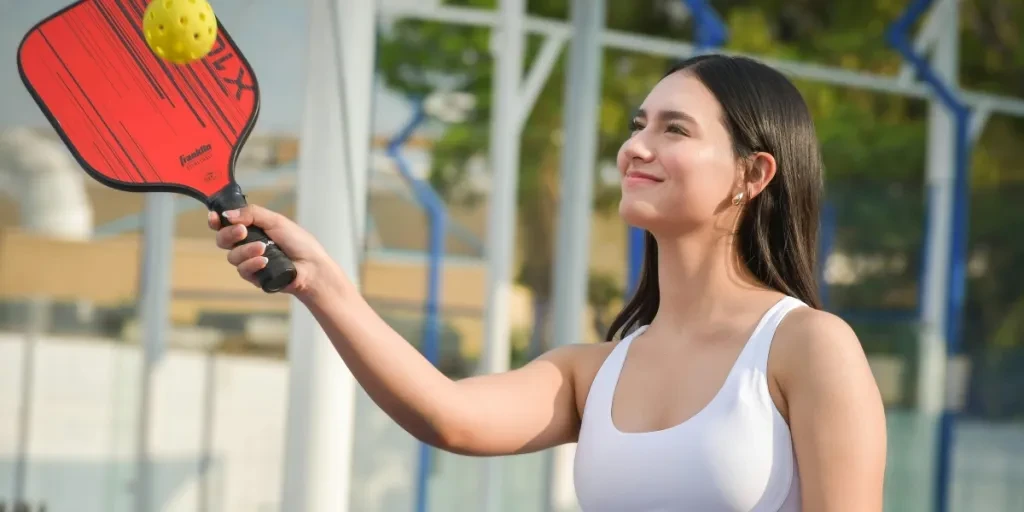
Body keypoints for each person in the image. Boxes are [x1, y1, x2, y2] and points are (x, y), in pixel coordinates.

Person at [209, 54, 887, 511]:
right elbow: (446, 414)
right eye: (638, 125)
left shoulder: (809, 347)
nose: (636, 148)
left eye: (674, 129)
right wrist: (320, 283)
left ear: (753, 174)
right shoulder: (591, 373)